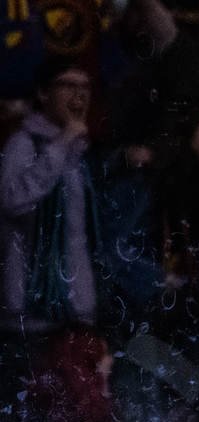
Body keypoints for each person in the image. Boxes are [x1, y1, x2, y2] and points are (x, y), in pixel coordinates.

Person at [1, 58, 100, 341]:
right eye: (69, 86)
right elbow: (12, 201)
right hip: (30, 310)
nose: (79, 96)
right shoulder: (24, 144)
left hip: (76, 307)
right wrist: (59, 146)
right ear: (44, 93)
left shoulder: (81, 151)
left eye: (85, 88)